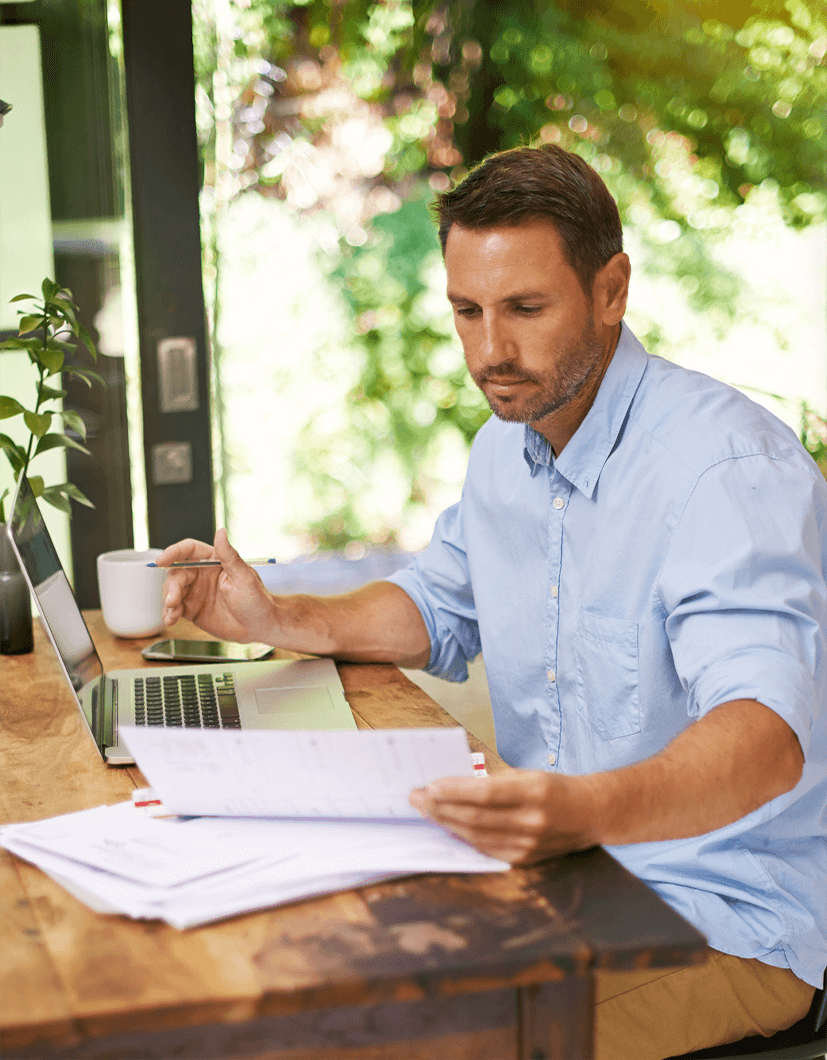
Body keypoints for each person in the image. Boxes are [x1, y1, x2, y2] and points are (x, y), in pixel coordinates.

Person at [159, 144, 826, 1059]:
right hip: (557, 877)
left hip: (719, 919)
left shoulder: (723, 471)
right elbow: (437, 606)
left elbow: (765, 738)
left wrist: (584, 809)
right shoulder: (503, 451)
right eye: (466, 312)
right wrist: (278, 618)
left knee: (401, 1044)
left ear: (611, 290)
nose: (489, 352)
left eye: (524, 309)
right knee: (273, 978)